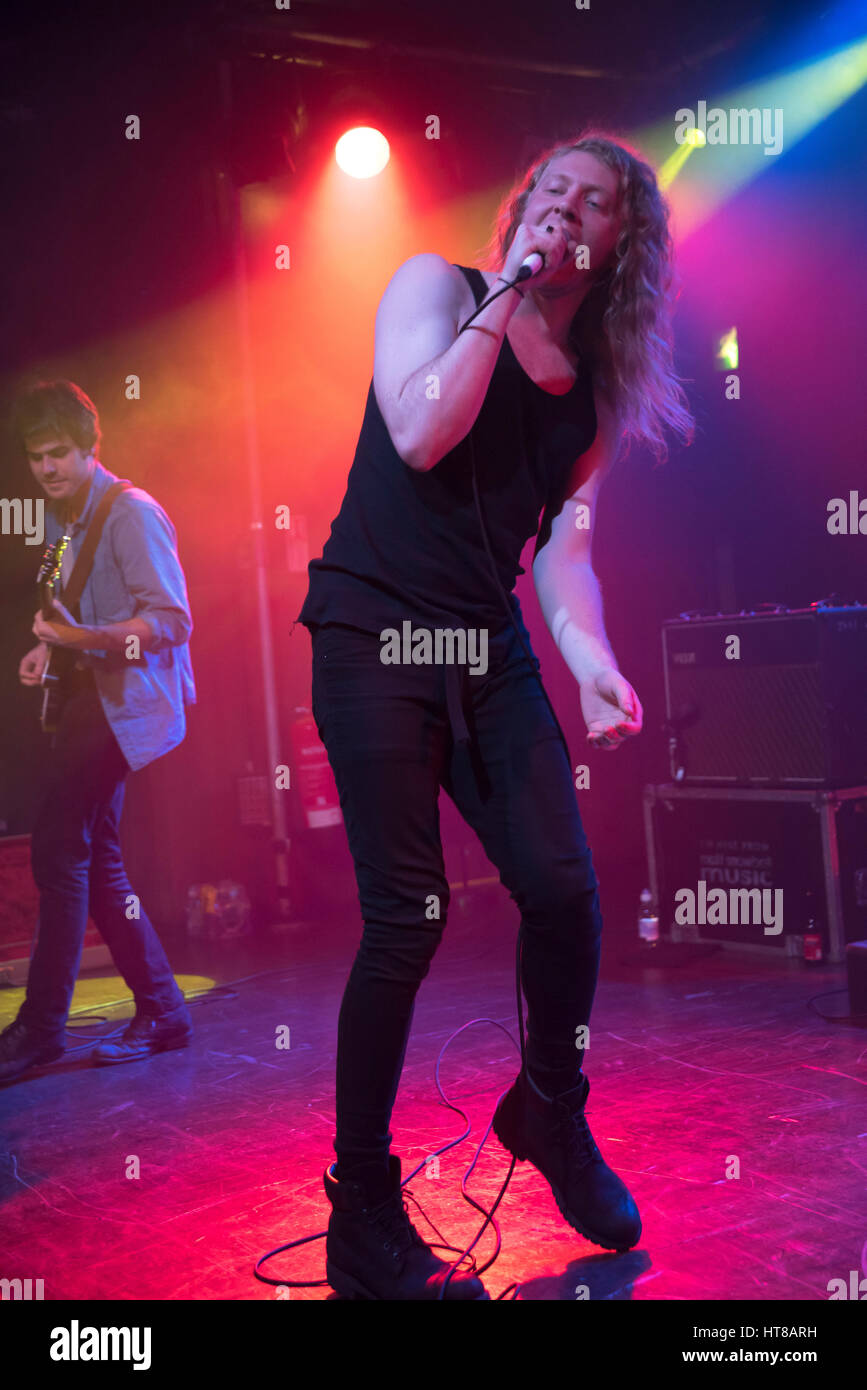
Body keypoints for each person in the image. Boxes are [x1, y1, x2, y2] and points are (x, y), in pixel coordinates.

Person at [294, 132, 694, 1300]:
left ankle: (550, 1109)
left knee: (567, 894)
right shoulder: (436, 287)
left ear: (621, 245)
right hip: (373, 630)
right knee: (406, 918)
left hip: (485, 643)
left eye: (597, 204)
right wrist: (507, 292)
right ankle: (362, 1209)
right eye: (553, 191)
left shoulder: (596, 398)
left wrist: (591, 660)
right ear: (525, 210)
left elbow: (565, 558)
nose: (567, 209)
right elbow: (422, 430)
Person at [0, 380, 197, 1083]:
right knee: (95, 857)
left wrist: (87, 636)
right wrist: (49, 645)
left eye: (58, 454)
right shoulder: (60, 516)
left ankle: (42, 1028)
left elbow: (172, 621)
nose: (46, 468)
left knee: (60, 848)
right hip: (85, 702)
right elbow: (58, 593)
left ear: (90, 449)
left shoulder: (131, 514)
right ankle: (163, 1010)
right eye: (35, 457)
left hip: (124, 708)